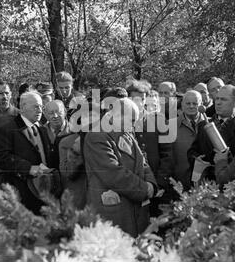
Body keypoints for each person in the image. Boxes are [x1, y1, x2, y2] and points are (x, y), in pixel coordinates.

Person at [83, 98, 157, 238]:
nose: (135, 125)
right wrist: (144, 189)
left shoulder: (126, 132)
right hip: (114, 213)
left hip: (134, 211)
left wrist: (151, 184)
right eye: (132, 120)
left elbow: (142, 162)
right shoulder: (97, 136)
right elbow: (113, 173)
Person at [0, 91, 61, 214]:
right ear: (23, 107)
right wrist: (28, 168)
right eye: (36, 106)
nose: (40, 110)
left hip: (43, 191)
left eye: (42, 107)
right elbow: (0, 158)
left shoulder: (43, 129)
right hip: (21, 193)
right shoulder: (8, 129)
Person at [127, 81, 174, 216]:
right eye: (134, 99)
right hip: (131, 187)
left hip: (156, 186)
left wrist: (159, 183)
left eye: (142, 99)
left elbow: (168, 155)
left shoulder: (159, 121)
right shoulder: (121, 124)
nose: (139, 103)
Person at [187, 85, 235, 180]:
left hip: (229, 183)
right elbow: (192, 150)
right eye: (217, 99)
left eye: (223, 99)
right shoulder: (204, 124)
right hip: (205, 183)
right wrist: (197, 158)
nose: (218, 103)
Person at [172, 90, 206, 191]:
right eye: (188, 103)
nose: (191, 106)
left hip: (205, 184)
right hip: (178, 183)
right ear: (182, 105)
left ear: (201, 105)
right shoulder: (170, 126)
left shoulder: (211, 126)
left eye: (195, 103)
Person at [42, 100, 71, 171]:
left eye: (59, 112)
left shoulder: (74, 132)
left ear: (65, 112)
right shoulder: (40, 132)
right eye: (51, 113)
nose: (55, 116)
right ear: (45, 115)